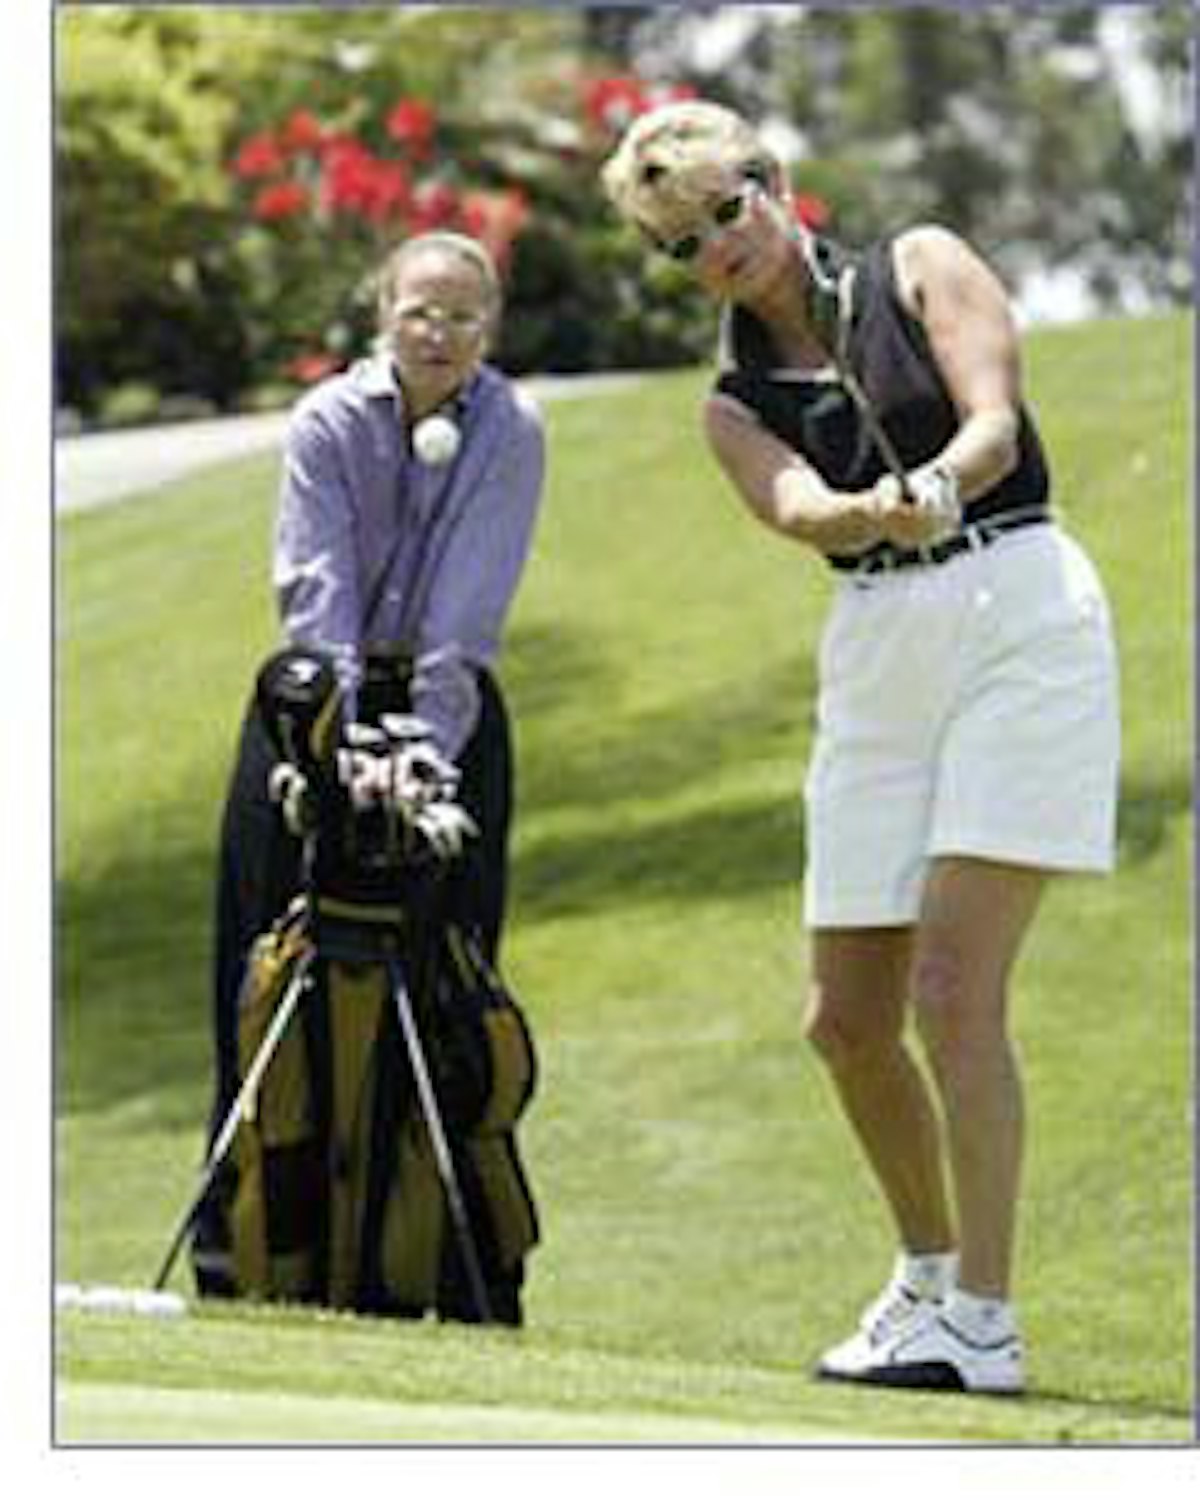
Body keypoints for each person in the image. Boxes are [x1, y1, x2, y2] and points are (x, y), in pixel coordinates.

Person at [601, 101, 1119, 1394]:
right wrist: (860, 516)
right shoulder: (732, 404)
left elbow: (994, 423)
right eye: (684, 243)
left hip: (1016, 609)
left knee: (951, 989)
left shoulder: (919, 263)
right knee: (845, 1020)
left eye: (727, 209)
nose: (720, 247)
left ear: (774, 182)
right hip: (878, 648)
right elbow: (794, 507)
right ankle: (928, 1280)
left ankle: (985, 1323)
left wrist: (933, 486)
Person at [192, 231, 546, 1310]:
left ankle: (434, 1269)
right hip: (310, 709)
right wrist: (338, 746)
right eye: (419, 311)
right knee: (262, 970)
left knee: (452, 984)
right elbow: (317, 599)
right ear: (383, 314)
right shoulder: (329, 421)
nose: (438, 333)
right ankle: (243, 1260)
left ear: (490, 328)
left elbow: (464, 621)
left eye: (462, 316)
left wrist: (421, 757)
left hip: (450, 720)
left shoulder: (511, 430)